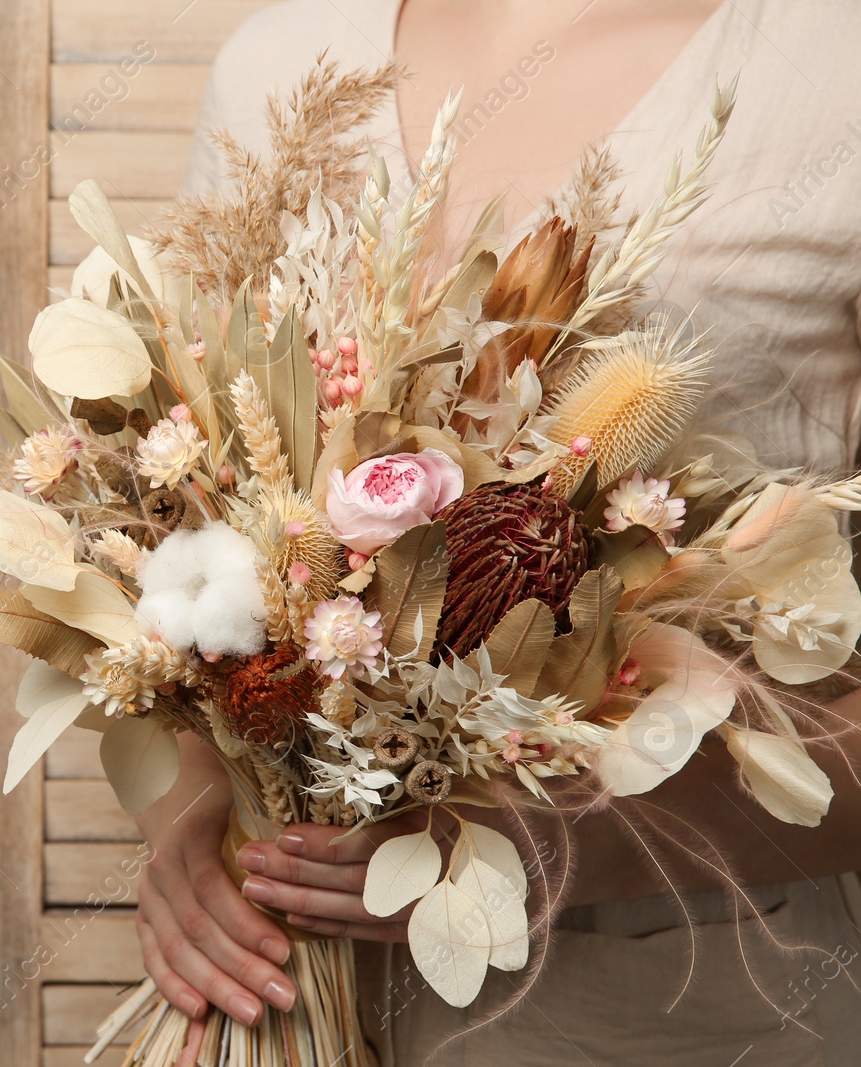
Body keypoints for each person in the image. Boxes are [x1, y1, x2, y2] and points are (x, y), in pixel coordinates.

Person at [137, 1, 861, 1062]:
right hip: (274, 993)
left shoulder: (830, 69)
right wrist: (191, 833)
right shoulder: (281, 64)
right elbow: (188, 526)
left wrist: (560, 838)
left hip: (680, 1004)